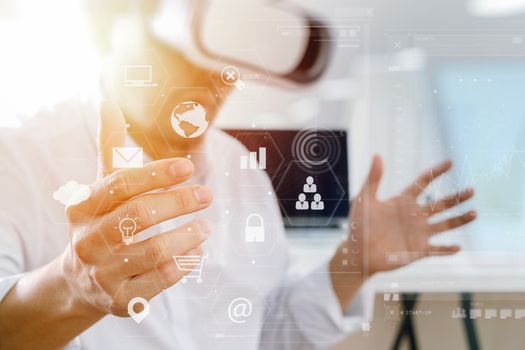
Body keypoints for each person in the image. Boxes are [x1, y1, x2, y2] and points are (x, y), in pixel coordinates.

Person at [0, 1, 477, 349]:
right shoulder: (16, 158)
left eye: (230, 60)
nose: (212, 80)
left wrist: (353, 263)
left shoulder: (241, 173)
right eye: (185, 53)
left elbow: (264, 333)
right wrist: (71, 285)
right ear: (107, 31)